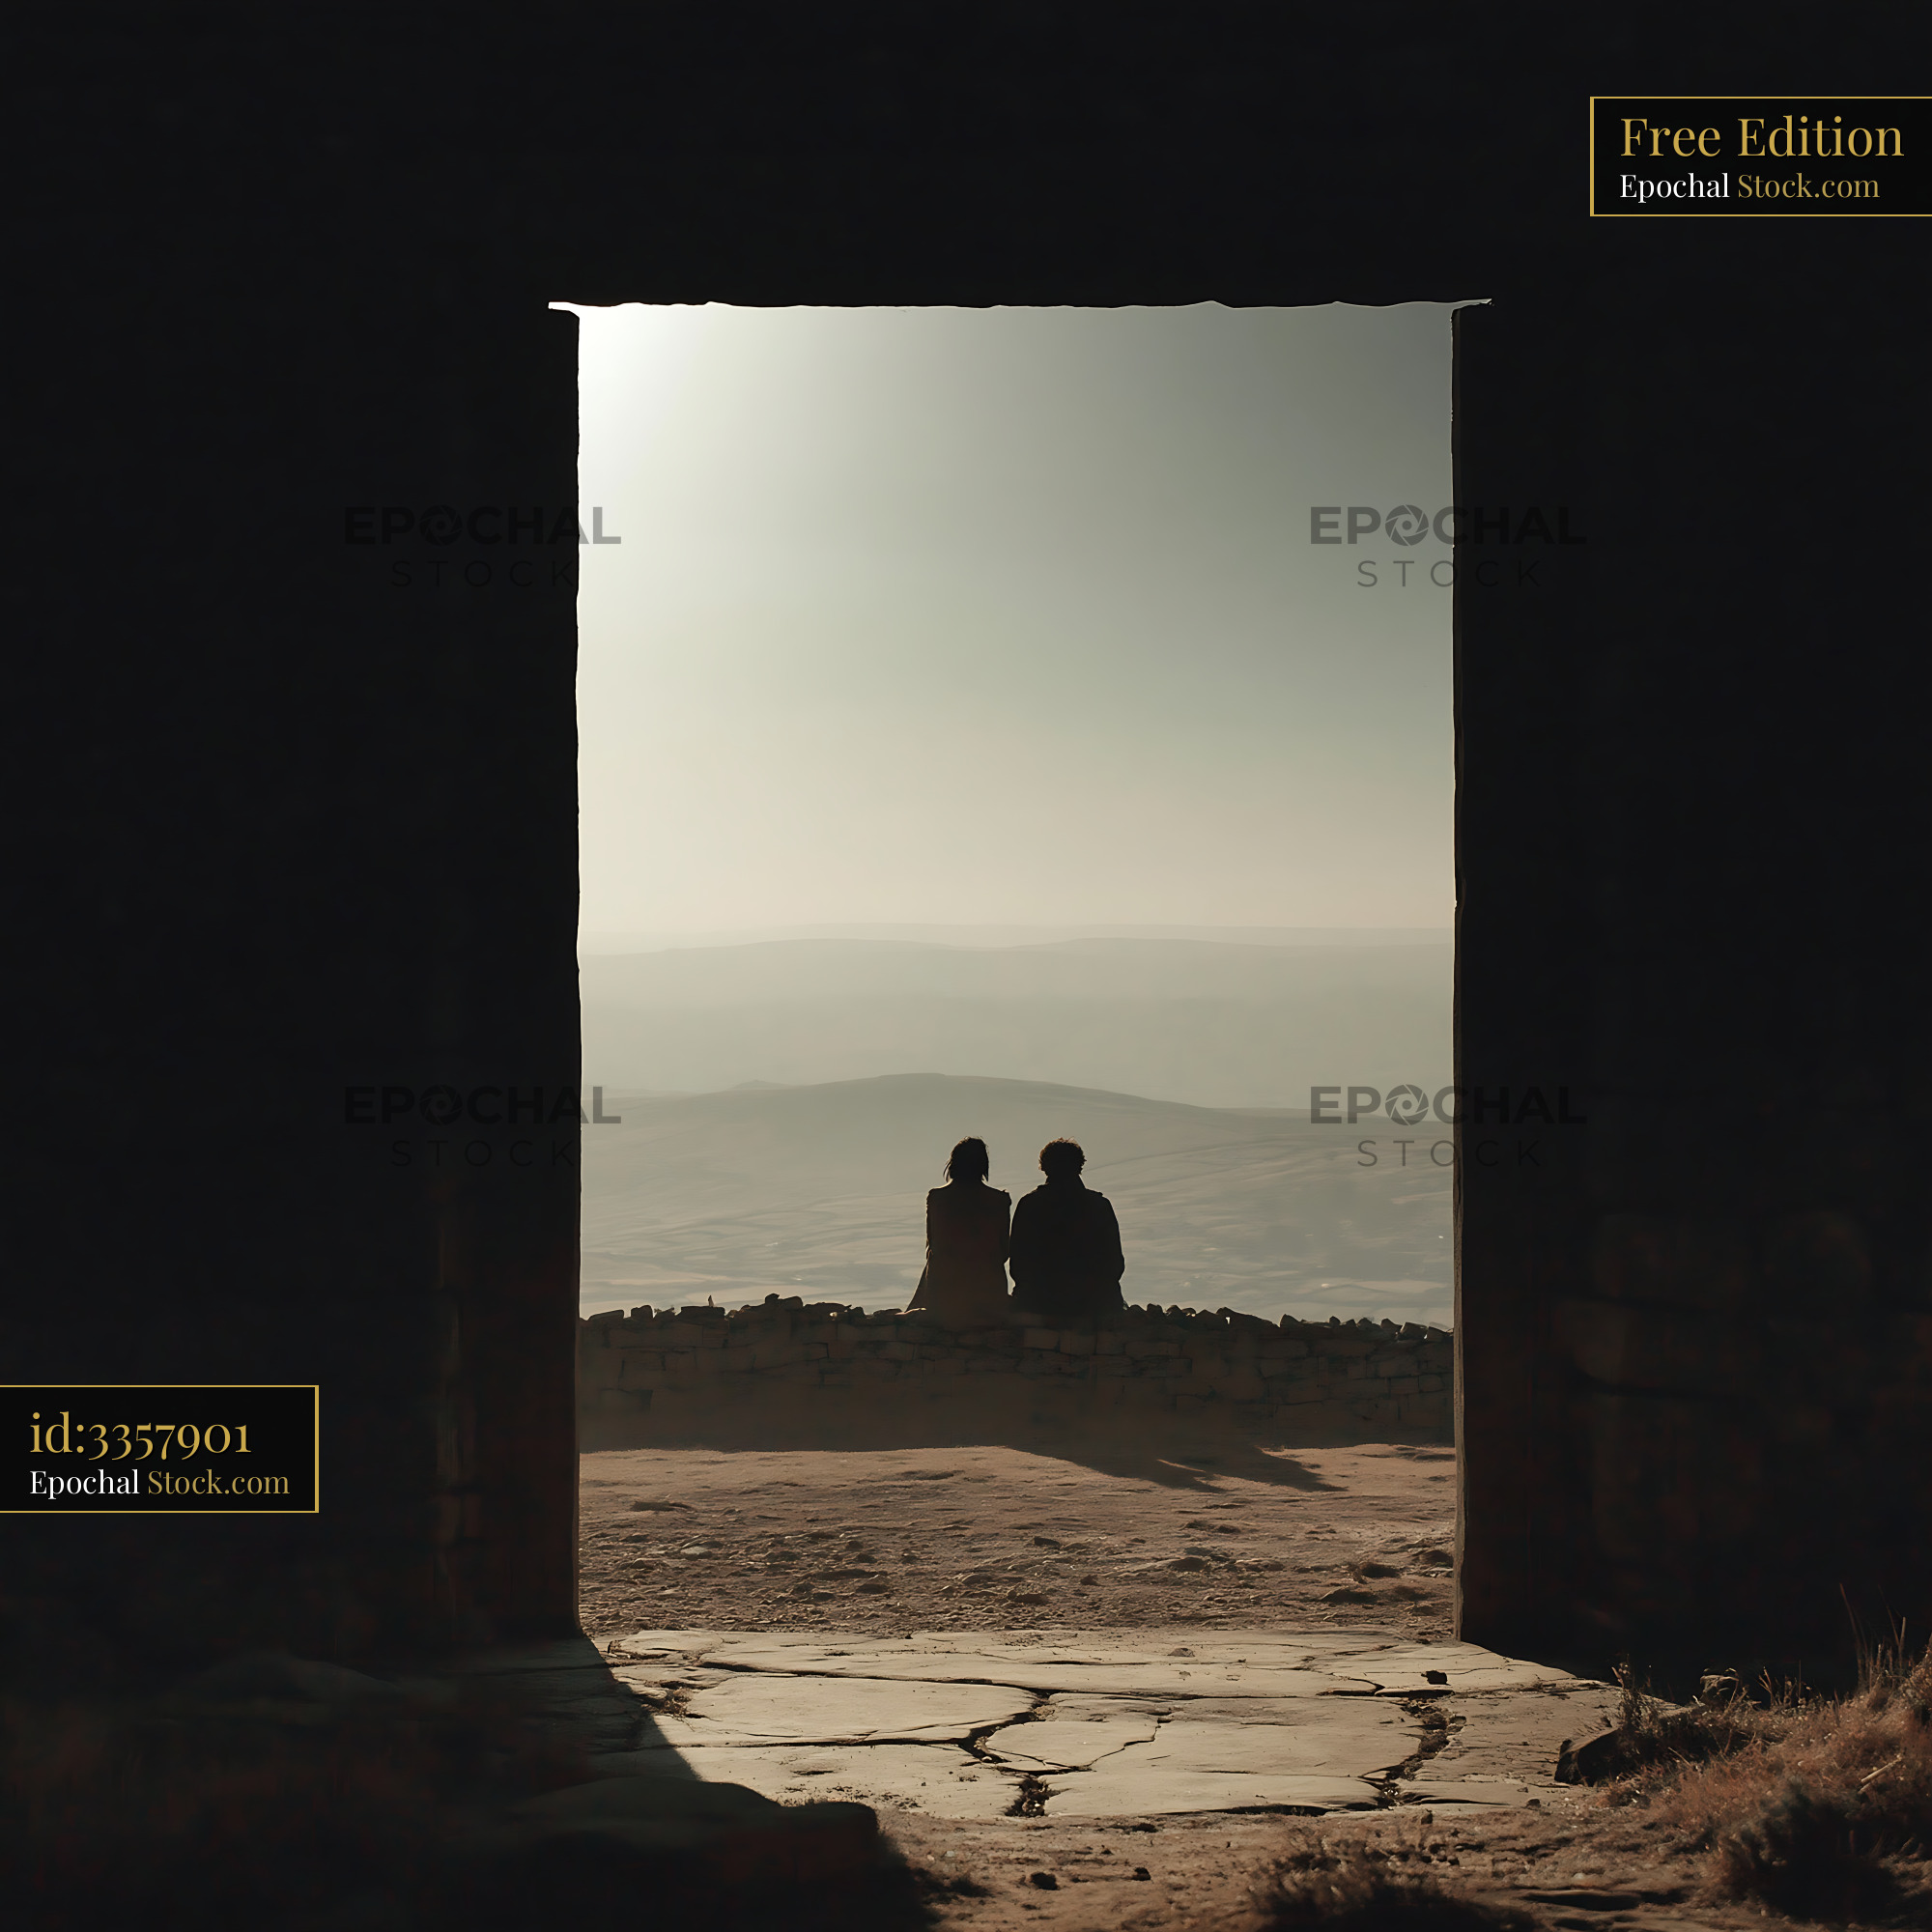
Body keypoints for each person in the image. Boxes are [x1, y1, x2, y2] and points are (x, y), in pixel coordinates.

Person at [1008, 1138, 1125, 1321]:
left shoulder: (1030, 1204)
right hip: (1095, 1306)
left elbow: (1018, 1263)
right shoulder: (1099, 1205)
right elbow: (1114, 1263)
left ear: (1044, 1167)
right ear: (1079, 1166)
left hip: (1039, 1304)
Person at [905, 1136, 1012, 1324]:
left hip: (946, 1294)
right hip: (988, 1292)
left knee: (934, 1258)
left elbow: (935, 1246)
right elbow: (1004, 1251)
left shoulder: (937, 1198)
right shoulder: (999, 1201)